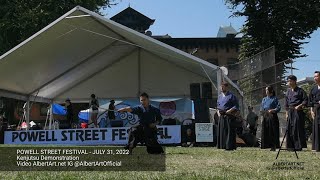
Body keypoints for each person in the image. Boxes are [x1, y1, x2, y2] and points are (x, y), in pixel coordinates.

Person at [285, 75, 308, 151]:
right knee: (290, 129)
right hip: (290, 111)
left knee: (297, 128)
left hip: (297, 111)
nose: (288, 82)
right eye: (288, 80)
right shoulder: (288, 91)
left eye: (290, 80)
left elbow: (305, 100)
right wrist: (286, 112)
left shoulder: (300, 91)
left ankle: (298, 146)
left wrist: (300, 105)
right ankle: (290, 146)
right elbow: (286, 103)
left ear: (294, 81)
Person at [216, 82, 240, 151]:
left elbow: (236, 106)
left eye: (223, 87)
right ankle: (223, 145)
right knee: (222, 131)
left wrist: (229, 111)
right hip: (221, 116)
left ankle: (230, 147)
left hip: (229, 116)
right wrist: (218, 113)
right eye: (221, 87)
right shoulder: (220, 97)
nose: (222, 88)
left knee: (229, 132)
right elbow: (218, 106)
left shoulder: (231, 96)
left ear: (227, 87)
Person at [260, 86, 281, 151]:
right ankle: (265, 145)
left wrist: (272, 110)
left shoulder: (274, 98)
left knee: (272, 131)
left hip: (272, 116)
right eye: (265, 90)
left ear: (270, 91)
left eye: (267, 90)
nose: (265, 91)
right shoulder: (264, 99)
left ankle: (273, 146)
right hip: (265, 116)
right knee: (265, 131)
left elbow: (278, 107)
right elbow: (262, 107)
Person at [309, 71, 320, 152]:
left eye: (316, 76)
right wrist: (311, 111)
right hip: (316, 110)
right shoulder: (313, 88)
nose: (315, 78)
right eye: (314, 77)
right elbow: (310, 101)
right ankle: (316, 147)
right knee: (316, 127)